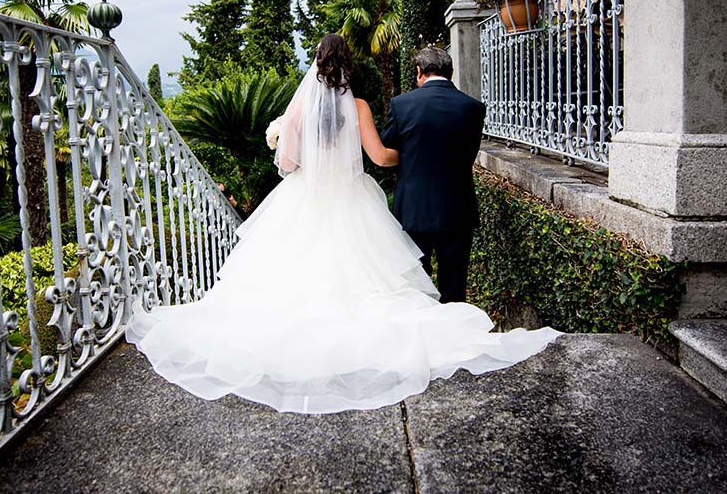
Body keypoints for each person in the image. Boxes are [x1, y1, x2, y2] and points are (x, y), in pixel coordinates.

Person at [126, 34, 559, 414]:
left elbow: (289, 161)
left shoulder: (297, 112)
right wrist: (412, 156)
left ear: (315, 63)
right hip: (353, 198)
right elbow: (381, 158)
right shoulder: (359, 107)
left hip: (303, 197)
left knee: (296, 271)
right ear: (347, 64)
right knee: (373, 275)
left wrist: (294, 149)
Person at [382, 46, 484, 303]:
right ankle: (456, 337)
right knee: (455, 285)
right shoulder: (473, 108)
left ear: (419, 72)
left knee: (416, 285)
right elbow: (469, 154)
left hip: (414, 208)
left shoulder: (401, 105)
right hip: (458, 207)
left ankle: (423, 337)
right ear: (450, 72)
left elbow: (388, 147)